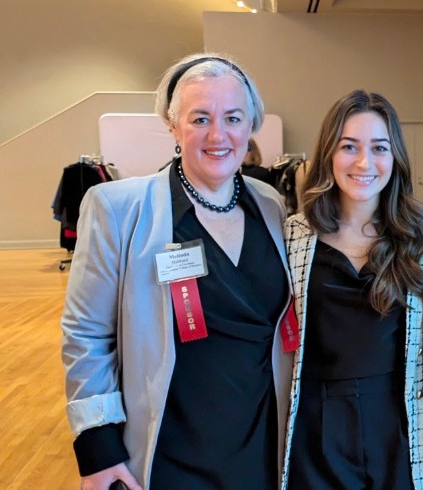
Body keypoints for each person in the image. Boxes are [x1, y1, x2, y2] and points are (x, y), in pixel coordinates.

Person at [60, 53, 292, 490]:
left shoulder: (271, 206)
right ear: (173, 125)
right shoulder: (118, 209)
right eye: (200, 118)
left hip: (260, 441)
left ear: (251, 126)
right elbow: (86, 333)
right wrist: (97, 447)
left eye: (233, 118)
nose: (218, 135)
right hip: (171, 447)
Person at [279, 90, 423, 489]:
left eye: (379, 148)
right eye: (349, 147)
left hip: (399, 422)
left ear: (395, 157)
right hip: (315, 426)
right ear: (328, 154)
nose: (364, 162)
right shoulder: (293, 236)